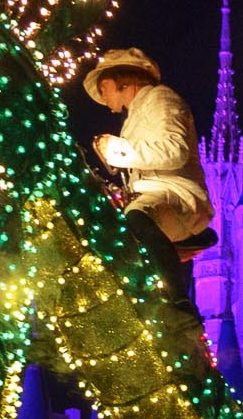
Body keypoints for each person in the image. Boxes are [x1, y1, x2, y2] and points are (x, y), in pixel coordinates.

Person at [80, 47, 212, 301]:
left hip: (176, 195)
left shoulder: (160, 99)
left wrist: (119, 149)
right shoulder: (134, 117)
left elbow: (175, 150)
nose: (102, 96)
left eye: (103, 86)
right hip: (154, 196)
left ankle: (178, 303)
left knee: (138, 217)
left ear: (123, 80)